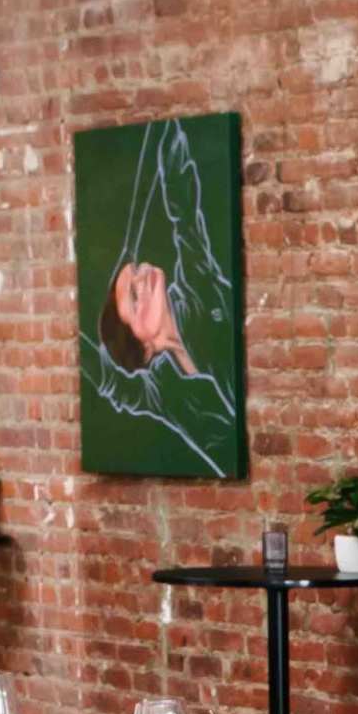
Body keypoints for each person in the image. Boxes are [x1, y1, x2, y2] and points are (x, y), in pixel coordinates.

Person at [85, 121, 243, 478]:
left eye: (135, 271)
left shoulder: (200, 286)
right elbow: (103, 377)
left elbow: (183, 211)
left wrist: (170, 132)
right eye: (134, 294)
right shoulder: (160, 393)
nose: (143, 275)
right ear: (139, 344)